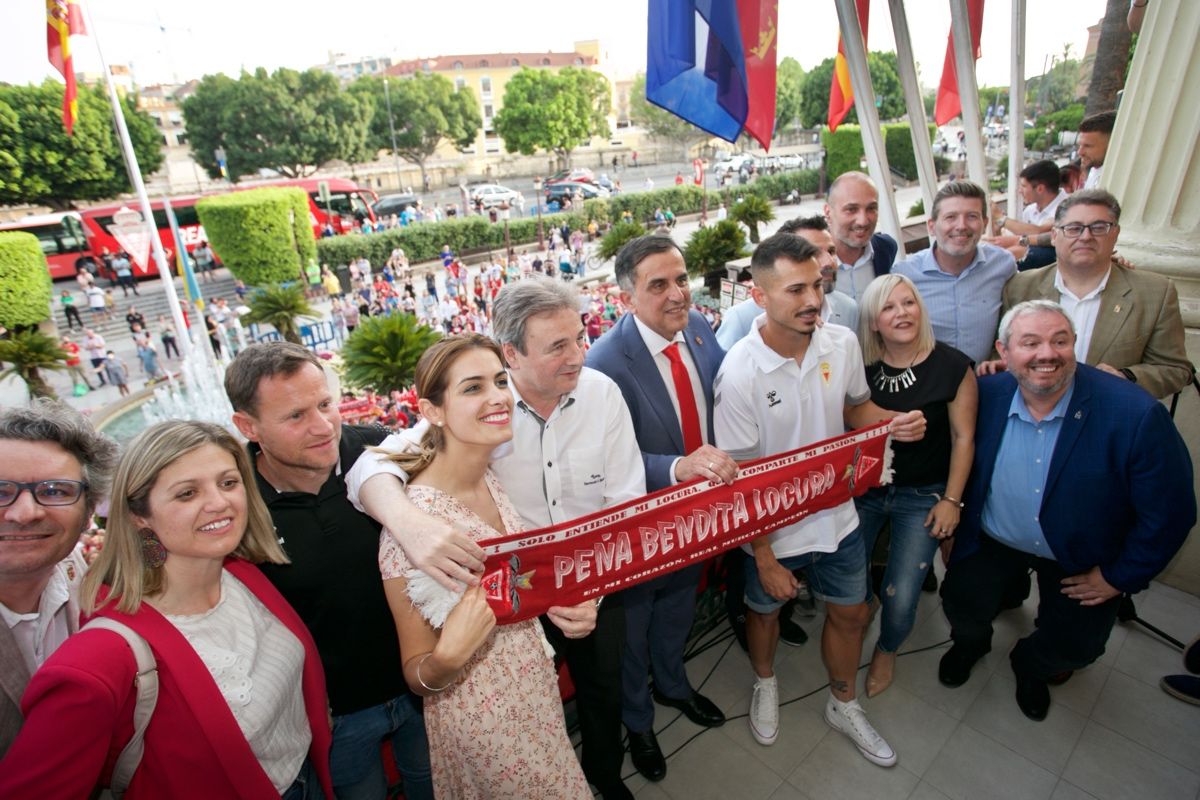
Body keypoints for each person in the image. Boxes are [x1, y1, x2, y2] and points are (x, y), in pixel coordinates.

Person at [346, 278, 644, 800]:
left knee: (604, 691)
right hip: (487, 710)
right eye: (558, 346)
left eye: (580, 338)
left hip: (566, 613)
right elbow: (369, 466)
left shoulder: (597, 396)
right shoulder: (463, 442)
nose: (578, 355)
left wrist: (588, 588)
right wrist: (406, 522)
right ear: (515, 354)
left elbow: (624, 501)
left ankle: (607, 775)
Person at [0, 421, 335, 798]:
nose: (219, 503)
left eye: (228, 482)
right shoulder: (99, 658)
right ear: (139, 515)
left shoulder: (244, 575)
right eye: (187, 493)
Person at [713, 232, 925, 766]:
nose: (813, 300)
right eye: (795, 290)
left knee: (851, 614)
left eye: (818, 285)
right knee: (764, 616)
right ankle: (765, 682)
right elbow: (741, 479)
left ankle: (843, 701)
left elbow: (855, 410)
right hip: (772, 528)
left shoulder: (842, 343)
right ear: (759, 296)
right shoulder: (739, 371)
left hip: (838, 516)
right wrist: (761, 556)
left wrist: (891, 422)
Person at [938, 301, 1195, 720]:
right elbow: (951, 463)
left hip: (1082, 555)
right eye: (1031, 342)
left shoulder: (1134, 415)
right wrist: (953, 528)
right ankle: (971, 645)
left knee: (1079, 646)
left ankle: (1031, 664)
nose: (1047, 353)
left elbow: (1171, 512)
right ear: (1003, 352)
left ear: (1075, 345)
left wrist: (1118, 576)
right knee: (961, 604)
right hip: (993, 537)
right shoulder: (983, 395)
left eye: (1060, 341)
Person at [377, 334, 593, 798]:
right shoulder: (410, 529)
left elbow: (520, 584)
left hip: (534, 690)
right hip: (483, 719)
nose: (498, 396)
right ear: (432, 410)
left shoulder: (489, 479)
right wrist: (447, 659)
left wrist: (569, 603)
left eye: (499, 381)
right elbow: (416, 673)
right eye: (472, 387)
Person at [225, 343, 434, 799]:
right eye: (295, 416)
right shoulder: (233, 499)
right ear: (248, 426)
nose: (323, 427)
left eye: (325, 404)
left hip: (423, 687)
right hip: (333, 718)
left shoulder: (380, 450)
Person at [585, 237, 733, 782]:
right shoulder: (603, 362)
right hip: (643, 523)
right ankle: (639, 724)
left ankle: (674, 685)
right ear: (626, 296)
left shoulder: (698, 328)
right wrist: (677, 467)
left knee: (678, 608)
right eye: (659, 285)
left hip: (700, 514)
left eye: (681, 279)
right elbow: (607, 456)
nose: (677, 294)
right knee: (635, 627)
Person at [851, 274, 977, 696]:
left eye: (908, 303)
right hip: (865, 491)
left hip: (922, 494)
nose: (901, 313)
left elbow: (964, 439)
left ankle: (887, 650)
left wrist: (952, 501)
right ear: (873, 321)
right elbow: (847, 416)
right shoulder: (859, 365)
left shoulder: (953, 366)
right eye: (888, 307)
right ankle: (858, 617)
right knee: (849, 578)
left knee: (902, 593)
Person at [989, 189, 1192, 400]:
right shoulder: (1019, 287)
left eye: (1098, 228)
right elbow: (1000, 353)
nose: (1085, 237)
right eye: (1074, 228)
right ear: (1055, 236)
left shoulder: (1154, 293)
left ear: (1115, 233)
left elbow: (1175, 369)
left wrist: (1127, 377)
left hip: (1108, 418)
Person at [0, 401, 118, 757]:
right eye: (0, 491)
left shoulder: (78, 571)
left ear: (88, 515)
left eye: (55, 491)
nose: (25, 513)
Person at [893, 180, 1018, 365]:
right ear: (931, 226)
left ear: (984, 223)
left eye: (972, 216)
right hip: (927, 388)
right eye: (951, 217)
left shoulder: (1002, 265)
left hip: (985, 380)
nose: (961, 226)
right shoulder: (904, 275)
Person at [716, 215, 859, 349]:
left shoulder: (848, 309)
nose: (829, 262)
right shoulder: (741, 318)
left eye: (832, 251)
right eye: (813, 253)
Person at [824, 171, 899, 301]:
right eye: (851, 209)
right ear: (828, 212)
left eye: (871, 208)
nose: (863, 221)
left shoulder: (885, 248)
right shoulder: (809, 260)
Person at [992, 160, 1067, 270]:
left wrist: (1001, 218)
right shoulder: (1030, 210)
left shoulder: (1067, 207)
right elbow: (1021, 239)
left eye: (1023, 186)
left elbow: (1040, 233)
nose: (1020, 191)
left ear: (1040, 189)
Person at [1078, 111, 1116, 190]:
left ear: (1111, 145)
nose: (1080, 152)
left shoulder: (1116, 179)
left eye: (1088, 146)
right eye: (1080, 145)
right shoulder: (1094, 170)